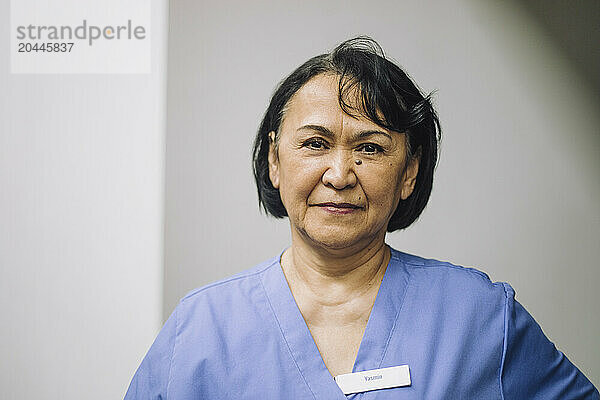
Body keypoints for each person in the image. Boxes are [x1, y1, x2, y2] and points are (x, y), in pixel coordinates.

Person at [125, 37, 598, 399]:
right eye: (314, 143)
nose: (339, 174)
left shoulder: (481, 317)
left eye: (369, 148)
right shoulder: (201, 328)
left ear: (409, 172)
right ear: (274, 160)